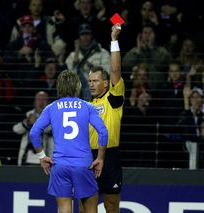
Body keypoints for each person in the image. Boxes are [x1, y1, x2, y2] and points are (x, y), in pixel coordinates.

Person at [29, 70, 108, 213]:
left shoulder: (51, 108)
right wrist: (100, 158)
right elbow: (103, 132)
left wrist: (42, 157)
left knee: (64, 209)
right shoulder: (88, 106)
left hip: (60, 165)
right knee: (90, 209)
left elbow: (34, 132)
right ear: (77, 86)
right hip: (84, 165)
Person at [87, 23, 123, 213]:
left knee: (111, 205)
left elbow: (116, 70)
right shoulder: (87, 106)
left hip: (110, 156)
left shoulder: (113, 99)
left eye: (95, 81)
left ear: (106, 83)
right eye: (89, 81)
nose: (91, 85)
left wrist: (114, 41)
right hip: (88, 156)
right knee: (86, 207)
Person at [13, 91, 53, 166]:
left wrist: (36, 123)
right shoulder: (28, 114)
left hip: (47, 158)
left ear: (49, 103)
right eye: (38, 100)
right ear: (34, 102)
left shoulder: (53, 116)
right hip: (28, 158)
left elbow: (51, 130)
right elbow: (16, 129)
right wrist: (27, 122)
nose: (41, 103)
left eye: (44, 100)